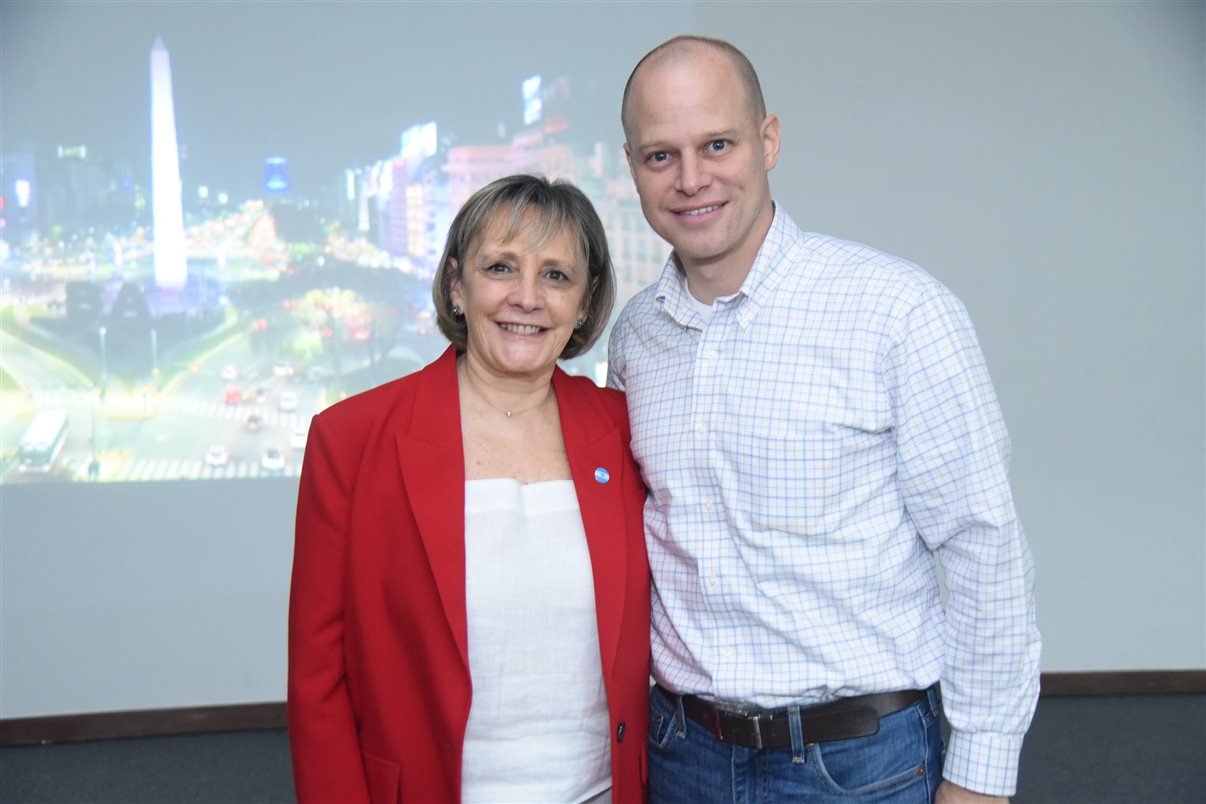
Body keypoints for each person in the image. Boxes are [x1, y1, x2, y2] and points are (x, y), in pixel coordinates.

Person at [608, 35, 1040, 804]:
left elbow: (985, 550)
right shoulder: (637, 337)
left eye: (717, 144)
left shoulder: (899, 312)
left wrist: (980, 777)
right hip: (684, 756)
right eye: (660, 156)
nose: (692, 178)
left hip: (859, 766)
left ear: (768, 140)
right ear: (632, 167)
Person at [289, 174, 650, 803]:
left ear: (587, 302)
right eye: (501, 267)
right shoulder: (352, 439)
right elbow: (319, 681)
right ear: (457, 284)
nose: (528, 298)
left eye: (556, 276)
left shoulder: (625, 430)